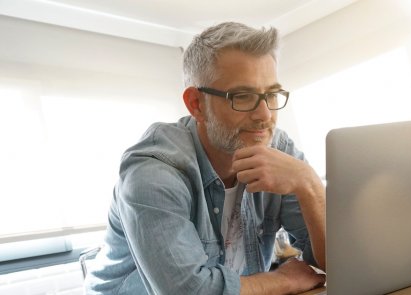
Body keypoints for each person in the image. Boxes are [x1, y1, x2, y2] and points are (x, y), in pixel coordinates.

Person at [85, 21, 326, 295]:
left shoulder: (279, 150)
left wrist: (309, 184)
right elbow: (186, 291)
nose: (265, 115)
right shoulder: (153, 171)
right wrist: (284, 280)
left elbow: (337, 260)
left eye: (271, 94)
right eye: (243, 96)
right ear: (197, 105)